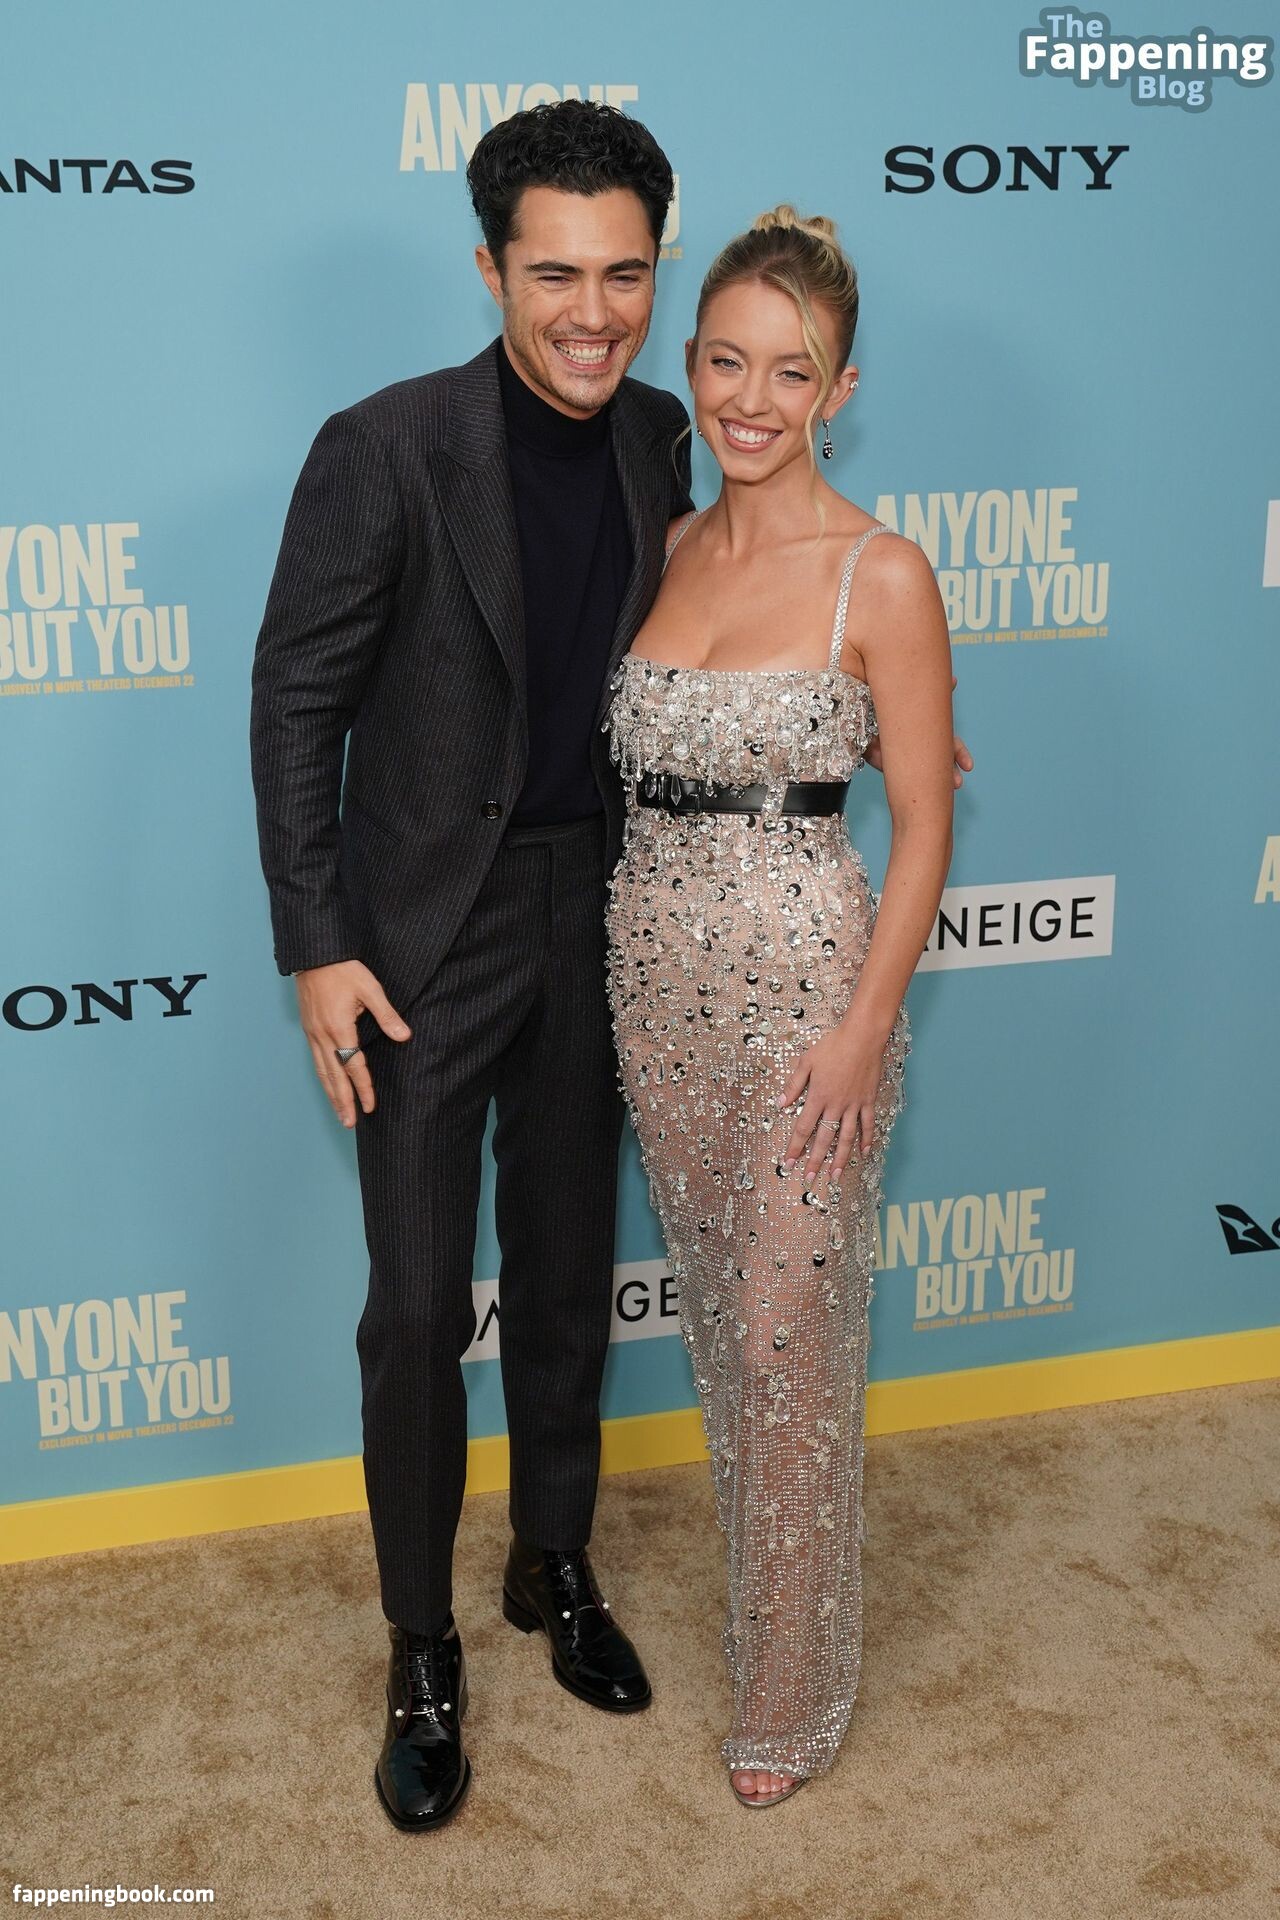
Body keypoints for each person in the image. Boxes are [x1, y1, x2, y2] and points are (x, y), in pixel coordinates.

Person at [250, 99, 971, 1833]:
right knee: (419, 1307)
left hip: (616, 915)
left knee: (571, 1271)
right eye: (556, 273)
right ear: (491, 268)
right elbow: (296, 700)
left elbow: (761, 654)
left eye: (625, 275)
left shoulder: (666, 437)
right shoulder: (385, 444)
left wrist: (892, 741)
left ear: (659, 275)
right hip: (427, 938)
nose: (594, 312)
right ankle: (424, 1647)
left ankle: (551, 1562)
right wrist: (317, 943)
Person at [604, 206, 956, 1808]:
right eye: (729, 363)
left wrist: (866, 1029)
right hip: (652, 980)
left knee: (787, 1329)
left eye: (791, 372)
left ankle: (795, 1691)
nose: (754, 400)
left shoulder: (881, 572)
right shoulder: (664, 547)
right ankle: (773, 1624)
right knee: (723, 1333)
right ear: (690, 364)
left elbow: (925, 823)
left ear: (841, 388)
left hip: (813, 992)